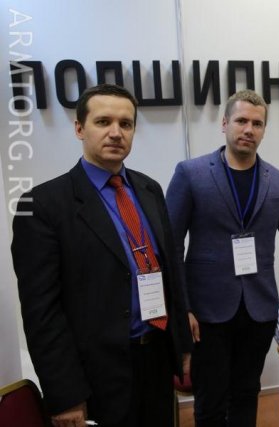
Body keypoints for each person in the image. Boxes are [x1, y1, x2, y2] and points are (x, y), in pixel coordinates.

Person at [11, 84, 193, 427]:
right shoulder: (43, 205)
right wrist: (65, 394)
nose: (116, 132)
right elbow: (41, 313)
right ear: (80, 128)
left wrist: (181, 345)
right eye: (103, 121)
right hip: (96, 376)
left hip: (156, 358)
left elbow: (171, 271)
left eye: (126, 124)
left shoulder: (149, 189)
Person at [166, 89, 279, 426]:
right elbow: (171, 246)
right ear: (225, 124)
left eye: (257, 124)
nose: (249, 129)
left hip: (258, 311)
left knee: (247, 394)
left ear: (264, 130)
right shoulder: (191, 174)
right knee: (210, 403)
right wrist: (181, 307)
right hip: (206, 314)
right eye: (242, 121)